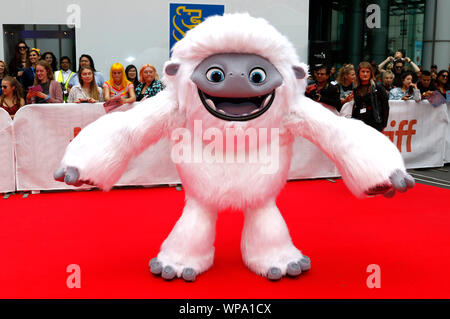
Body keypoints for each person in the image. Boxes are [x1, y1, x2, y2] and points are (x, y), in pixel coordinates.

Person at [351, 61, 389, 132]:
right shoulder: (356, 88)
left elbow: (385, 106)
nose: (365, 74)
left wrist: (384, 124)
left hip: (375, 123)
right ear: (358, 73)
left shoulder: (378, 86)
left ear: (371, 73)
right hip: (360, 123)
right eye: (363, 71)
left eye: (368, 72)